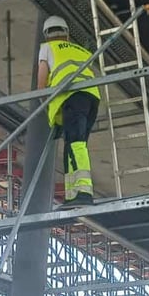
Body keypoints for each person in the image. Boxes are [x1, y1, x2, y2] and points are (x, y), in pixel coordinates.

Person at [37, 16, 100, 207]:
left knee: (75, 145)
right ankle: (72, 195)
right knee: (74, 145)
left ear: (47, 34)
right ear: (66, 33)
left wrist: (46, 107)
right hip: (91, 99)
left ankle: (83, 194)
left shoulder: (47, 48)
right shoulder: (81, 50)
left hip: (72, 97)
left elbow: (42, 86)